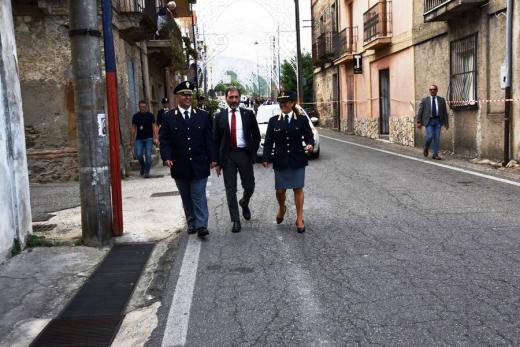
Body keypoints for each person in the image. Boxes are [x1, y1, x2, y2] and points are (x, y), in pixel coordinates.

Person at [159, 81, 218, 238]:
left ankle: (201, 225)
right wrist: (166, 157)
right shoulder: (168, 117)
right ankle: (191, 222)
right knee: (186, 196)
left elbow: (209, 139)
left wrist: (213, 158)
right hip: (180, 164)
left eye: (189, 94)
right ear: (177, 96)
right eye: (184, 94)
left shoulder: (203, 116)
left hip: (199, 163)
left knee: (198, 194)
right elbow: (164, 140)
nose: (187, 97)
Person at [262, 91, 314, 233]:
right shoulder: (274, 121)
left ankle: (299, 218)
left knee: (298, 188)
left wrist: (310, 144)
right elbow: (268, 142)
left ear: (292, 103)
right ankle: (282, 207)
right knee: (280, 190)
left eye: (286, 102)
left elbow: (309, 136)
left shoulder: (302, 120)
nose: (283, 104)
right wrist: (266, 157)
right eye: (281, 102)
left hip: (297, 159)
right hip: (280, 159)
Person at [214, 87, 261, 233]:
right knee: (230, 190)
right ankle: (235, 220)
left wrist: (252, 151)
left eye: (236, 97)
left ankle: (244, 202)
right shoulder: (219, 117)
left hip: (244, 154)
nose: (234, 100)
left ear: (240, 98)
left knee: (250, 185)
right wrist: (217, 161)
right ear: (226, 98)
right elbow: (215, 140)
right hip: (227, 156)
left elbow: (256, 136)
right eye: (231, 97)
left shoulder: (248, 114)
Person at [416, 84, 449, 160]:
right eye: (431, 89)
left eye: (434, 89)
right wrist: (418, 121)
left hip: (438, 121)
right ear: (429, 91)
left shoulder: (441, 100)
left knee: (437, 138)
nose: (432, 91)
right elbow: (420, 111)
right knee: (430, 136)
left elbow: (444, 112)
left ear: (437, 90)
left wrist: (446, 123)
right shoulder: (425, 100)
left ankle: (435, 154)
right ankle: (426, 147)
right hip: (429, 121)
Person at [131, 100, 157, 178]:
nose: (143, 108)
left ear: (147, 107)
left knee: (148, 155)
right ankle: (143, 166)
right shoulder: (135, 116)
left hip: (149, 138)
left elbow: (154, 127)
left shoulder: (150, 115)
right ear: (139, 107)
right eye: (141, 107)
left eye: (144, 107)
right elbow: (133, 128)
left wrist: (156, 137)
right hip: (139, 139)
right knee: (139, 155)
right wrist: (132, 140)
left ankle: (147, 172)